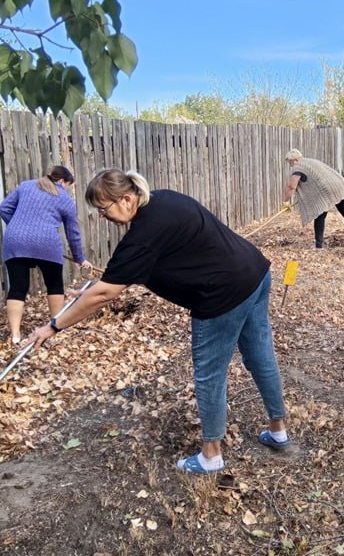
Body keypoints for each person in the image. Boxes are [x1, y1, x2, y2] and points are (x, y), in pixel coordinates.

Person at [26, 168, 290, 476]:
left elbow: (105, 294)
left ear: (125, 199)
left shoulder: (142, 235)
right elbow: (117, 278)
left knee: (209, 374)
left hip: (222, 295)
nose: (101, 216)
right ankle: (278, 431)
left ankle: (211, 455)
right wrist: (91, 288)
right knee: (260, 355)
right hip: (255, 272)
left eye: (103, 208)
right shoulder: (163, 201)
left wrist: (53, 325)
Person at [0, 165, 92, 345]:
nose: (67, 189)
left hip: (15, 242)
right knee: (54, 285)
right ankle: (56, 327)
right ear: (63, 181)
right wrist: (80, 259)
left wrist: (20, 228)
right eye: (68, 185)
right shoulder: (65, 199)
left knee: (18, 287)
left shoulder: (26, 186)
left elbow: (4, 208)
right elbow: (73, 233)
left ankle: (15, 335)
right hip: (47, 244)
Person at [283, 149, 344, 249]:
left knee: (319, 215)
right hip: (339, 184)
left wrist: (285, 202)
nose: (290, 165)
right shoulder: (311, 161)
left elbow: (291, 186)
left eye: (289, 162)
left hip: (326, 190)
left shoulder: (297, 167)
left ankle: (318, 245)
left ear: (293, 160)